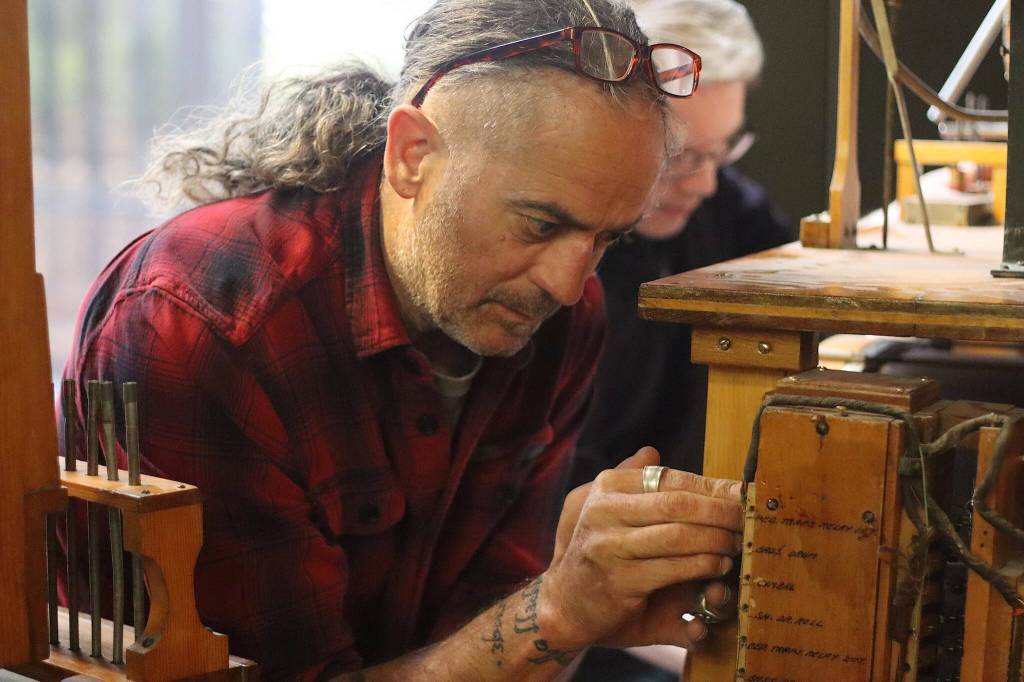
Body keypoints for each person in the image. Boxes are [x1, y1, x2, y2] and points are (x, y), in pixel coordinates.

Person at [61, 1, 743, 679]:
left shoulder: (563, 316)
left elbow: (487, 641)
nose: (569, 284)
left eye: (606, 237)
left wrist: (575, 613)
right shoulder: (208, 325)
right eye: (539, 225)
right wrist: (558, 613)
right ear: (412, 155)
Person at [572, 0, 794, 488]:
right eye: (680, 156)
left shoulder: (732, 211)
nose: (705, 184)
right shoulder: (558, 254)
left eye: (722, 151)